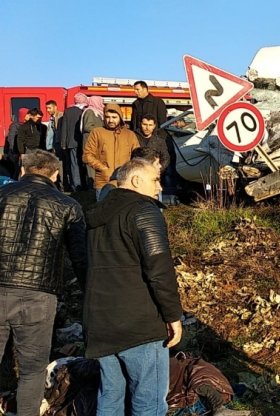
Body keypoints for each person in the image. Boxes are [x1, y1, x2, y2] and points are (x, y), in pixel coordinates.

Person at [84, 158, 183, 414]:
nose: (159, 187)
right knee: (148, 402)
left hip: (100, 321)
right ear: (137, 180)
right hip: (139, 324)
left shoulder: (97, 215)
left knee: (110, 397)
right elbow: (159, 269)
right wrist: (173, 316)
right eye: (155, 180)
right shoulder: (144, 211)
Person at [0, 149, 87, 415]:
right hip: (40, 294)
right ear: (56, 173)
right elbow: (81, 258)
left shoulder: (2, 195)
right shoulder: (68, 205)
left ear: (23, 170)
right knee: (32, 370)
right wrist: (90, 296)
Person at [82, 103, 139, 199]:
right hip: (103, 181)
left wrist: (129, 171)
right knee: (103, 211)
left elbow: (137, 156)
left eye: (114, 117)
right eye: (107, 117)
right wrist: (102, 167)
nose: (110, 120)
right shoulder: (97, 132)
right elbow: (87, 155)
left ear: (120, 117)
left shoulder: (130, 135)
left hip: (125, 182)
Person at [58, 93, 88, 191]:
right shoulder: (85, 111)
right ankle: (85, 185)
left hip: (71, 142)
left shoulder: (68, 111)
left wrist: (63, 143)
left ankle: (76, 186)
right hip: (84, 142)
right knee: (83, 164)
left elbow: (64, 127)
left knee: (74, 164)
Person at [2, 107, 29, 179]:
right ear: (23, 115)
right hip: (15, 153)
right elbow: (11, 139)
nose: (29, 116)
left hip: (21, 153)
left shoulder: (26, 125)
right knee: (16, 171)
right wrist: (15, 152)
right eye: (27, 114)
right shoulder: (15, 126)